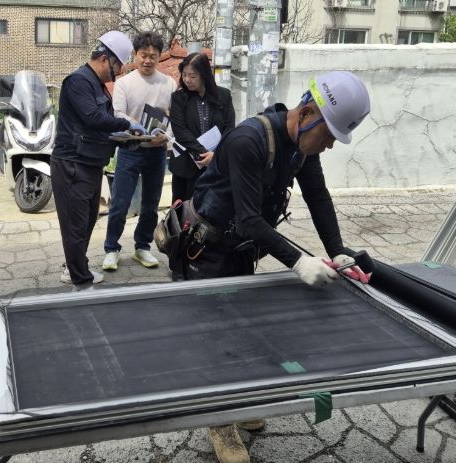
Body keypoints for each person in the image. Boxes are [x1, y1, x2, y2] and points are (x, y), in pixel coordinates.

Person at [173, 71, 371, 463]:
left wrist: (338, 252)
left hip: (240, 247)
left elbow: (318, 196)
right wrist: (300, 262)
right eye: (329, 134)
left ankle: (237, 403)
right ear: (307, 113)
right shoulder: (249, 140)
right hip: (206, 248)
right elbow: (250, 219)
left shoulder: (301, 148)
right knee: (216, 335)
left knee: (243, 327)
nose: (330, 144)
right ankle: (219, 421)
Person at [51, 31, 144, 291]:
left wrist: (126, 138)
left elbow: (102, 128)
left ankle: (75, 267)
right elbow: (92, 118)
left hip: (90, 164)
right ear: (105, 59)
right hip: (73, 164)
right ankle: (81, 281)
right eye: (117, 67)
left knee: (86, 222)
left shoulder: (96, 85)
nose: (117, 73)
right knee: (76, 226)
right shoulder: (78, 81)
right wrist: (127, 124)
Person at [102, 32, 177, 271]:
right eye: (143, 55)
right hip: (130, 149)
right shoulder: (124, 83)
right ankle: (111, 248)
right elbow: (118, 113)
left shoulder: (168, 83)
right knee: (120, 202)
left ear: (159, 56)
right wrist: (135, 126)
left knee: (151, 204)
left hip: (157, 151)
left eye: (153, 56)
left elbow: (174, 117)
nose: (147, 60)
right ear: (135, 55)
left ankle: (142, 246)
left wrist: (167, 136)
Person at [169, 52, 235, 202]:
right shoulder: (178, 98)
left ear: (204, 75)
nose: (187, 80)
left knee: (214, 207)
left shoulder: (223, 95)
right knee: (183, 210)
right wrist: (204, 154)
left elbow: (229, 128)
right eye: (184, 75)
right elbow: (180, 131)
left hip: (215, 167)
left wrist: (216, 155)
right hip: (185, 167)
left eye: (192, 76)